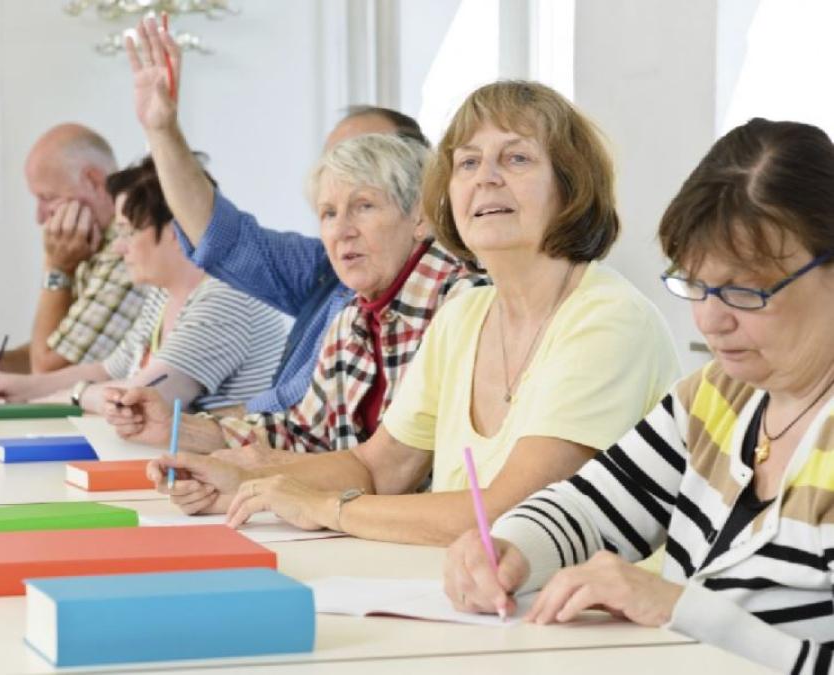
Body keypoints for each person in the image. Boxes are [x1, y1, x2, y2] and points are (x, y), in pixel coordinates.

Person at [146, 81, 680, 546]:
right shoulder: (465, 314)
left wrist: (326, 507)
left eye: (516, 158)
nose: (485, 178)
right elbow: (378, 466)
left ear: (571, 188)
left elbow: (511, 514)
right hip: (464, 595)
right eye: (468, 162)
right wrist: (241, 483)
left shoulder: (606, 318)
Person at [443, 118, 834, 674]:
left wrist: (682, 610)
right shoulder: (718, 399)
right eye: (696, 284)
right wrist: (509, 550)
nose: (710, 319)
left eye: (746, 290)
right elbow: (590, 508)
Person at [109, 17, 430, 435]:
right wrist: (161, 129)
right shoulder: (326, 268)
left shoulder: (442, 295)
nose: (342, 222)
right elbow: (222, 239)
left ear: (420, 195)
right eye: (329, 202)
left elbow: (356, 458)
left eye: (365, 179)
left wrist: (195, 433)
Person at [104, 133, 487, 475]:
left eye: (364, 206)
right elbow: (304, 433)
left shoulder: (462, 306)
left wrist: (254, 475)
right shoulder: (353, 313)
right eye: (329, 214)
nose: (341, 231)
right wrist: (177, 429)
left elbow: (395, 474)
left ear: (420, 218)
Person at [0, 156, 286, 415]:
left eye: (127, 232)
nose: (119, 247)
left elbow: (139, 401)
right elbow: (108, 371)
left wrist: (74, 395)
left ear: (177, 230)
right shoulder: (164, 293)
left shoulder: (225, 297)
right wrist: (18, 387)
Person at [0, 124, 145, 379]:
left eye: (48, 197)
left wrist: (57, 267)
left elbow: (49, 372)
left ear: (94, 181)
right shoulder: (93, 244)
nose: (40, 217)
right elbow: (67, 347)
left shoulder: (127, 252)